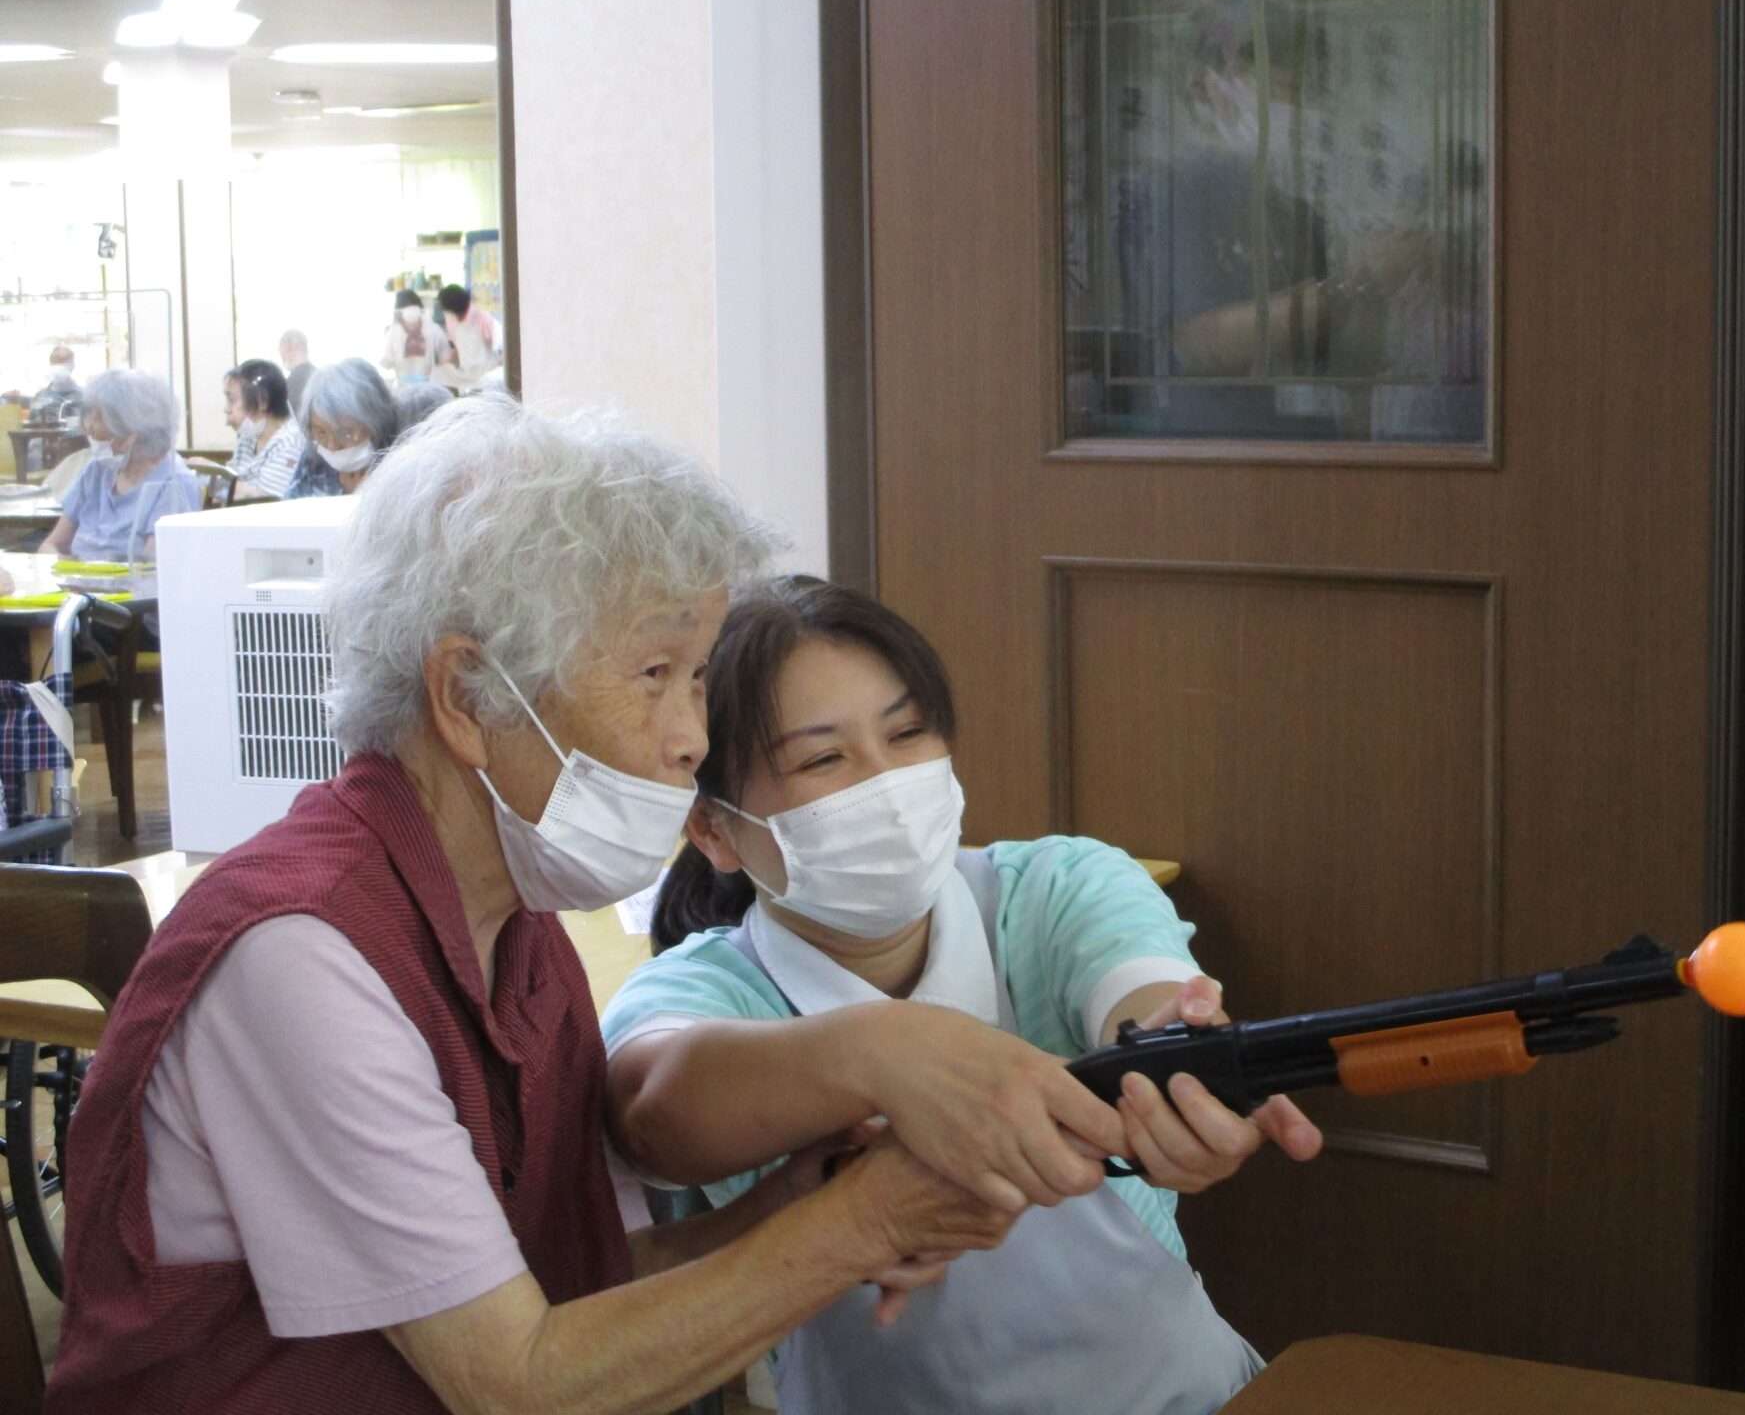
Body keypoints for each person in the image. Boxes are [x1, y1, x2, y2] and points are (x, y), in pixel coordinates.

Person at [45, 395, 1017, 1413]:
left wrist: (789, 1209)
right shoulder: (302, 953)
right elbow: (519, 1383)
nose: (692, 737)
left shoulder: (518, 924)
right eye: (654, 674)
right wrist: (860, 1225)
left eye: (697, 678)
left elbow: (579, 1289)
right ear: (468, 697)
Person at [603, 578, 1324, 1415]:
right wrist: (887, 1056)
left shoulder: (1055, 888)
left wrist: (1181, 1069)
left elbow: (1146, 997)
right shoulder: (704, 990)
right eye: (822, 759)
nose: (886, 783)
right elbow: (655, 1108)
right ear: (714, 830)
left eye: (907, 733)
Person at [40, 369, 200, 564]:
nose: (89, 427)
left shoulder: (175, 484)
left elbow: (152, 573)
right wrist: (71, 571)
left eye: (99, 418)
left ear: (132, 430)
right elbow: (50, 545)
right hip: (78, 588)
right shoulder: (96, 471)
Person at [289, 357, 398, 497]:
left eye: (345, 432)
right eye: (321, 433)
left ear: (375, 421)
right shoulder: (313, 463)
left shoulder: (396, 468)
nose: (333, 446)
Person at [222, 359, 305, 499]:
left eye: (232, 400)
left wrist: (213, 478)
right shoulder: (248, 437)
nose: (226, 409)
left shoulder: (289, 443)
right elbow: (231, 478)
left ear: (262, 401)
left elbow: (266, 502)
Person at [433, 284, 505, 392]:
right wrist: (446, 363)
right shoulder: (453, 322)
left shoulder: (483, 319)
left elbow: (500, 352)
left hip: (486, 377)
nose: (445, 313)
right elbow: (458, 348)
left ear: (454, 308)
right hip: (466, 375)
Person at [381, 289, 452, 387]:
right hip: (409, 387)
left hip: (425, 386)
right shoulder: (393, 332)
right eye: (407, 306)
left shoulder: (432, 329)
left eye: (413, 305)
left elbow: (446, 357)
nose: (410, 310)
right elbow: (387, 363)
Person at [27, 345, 81, 424]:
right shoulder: (40, 397)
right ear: (50, 363)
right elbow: (31, 426)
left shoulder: (83, 397)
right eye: (55, 360)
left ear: (72, 365)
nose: (59, 364)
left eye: (63, 360)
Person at [279, 328, 316, 413]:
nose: (282, 359)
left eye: (281, 354)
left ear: (289, 348)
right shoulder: (319, 377)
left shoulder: (291, 384)